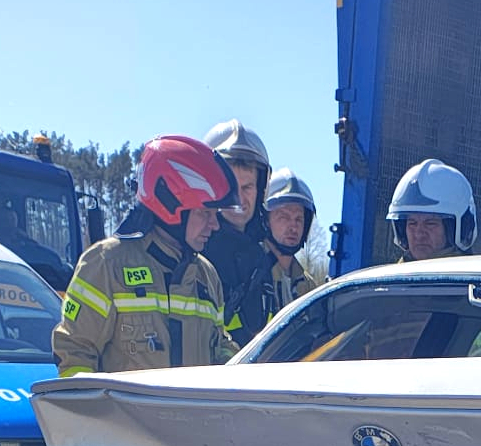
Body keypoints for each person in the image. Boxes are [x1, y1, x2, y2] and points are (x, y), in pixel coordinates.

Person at [53, 136, 237, 376]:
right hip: (126, 415)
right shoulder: (107, 264)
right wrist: (95, 412)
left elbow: (219, 348)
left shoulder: (207, 276)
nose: (215, 225)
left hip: (195, 415)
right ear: (169, 203)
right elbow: (74, 352)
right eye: (205, 213)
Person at [202, 120, 274, 347]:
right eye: (231, 188)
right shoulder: (198, 251)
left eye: (247, 187)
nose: (240, 199)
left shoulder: (260, 256)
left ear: (260, 190)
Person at [388, 160, 477, 261]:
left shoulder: (468, 275)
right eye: (412, 223)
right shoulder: (392, 274)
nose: (419, 234)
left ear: (454, 230)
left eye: (430, 223)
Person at [260, 170, 317, 319]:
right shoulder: (250, 273)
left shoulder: (309, 287)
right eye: (284, 217)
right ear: (266, 221)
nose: (293, 227)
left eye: (298, 219)